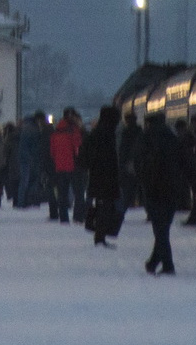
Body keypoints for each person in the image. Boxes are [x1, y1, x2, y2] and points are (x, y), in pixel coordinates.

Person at [137, 111, 187, 275]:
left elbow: (138, 164)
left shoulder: (146, 138)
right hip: (172, 189)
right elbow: (185, 163)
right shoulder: (173, 139)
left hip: (153, 190)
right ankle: (154, 262)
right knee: (163, 228)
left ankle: (167, 265)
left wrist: (142, 182)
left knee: (160, 229)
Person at [81, 105, 124, 246]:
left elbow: (84, 156)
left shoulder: (96, 133)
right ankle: (100, 236)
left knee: (103, 206)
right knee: (106, 207)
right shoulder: (106, 134)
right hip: (106, 177)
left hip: (98, 177)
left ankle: (100, 234)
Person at [48, 108, 83, 222]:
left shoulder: (56, 132)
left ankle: (63, 217)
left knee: (62, 194)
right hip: (73, 166)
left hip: (59, 166)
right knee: (78, 192)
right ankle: (78, 216)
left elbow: (52, 152)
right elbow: (77, 148)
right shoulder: (74, 131)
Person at [15, 113, 48, 209]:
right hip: (29, 159)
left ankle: (23, 202)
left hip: (25, 158)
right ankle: (26, 202)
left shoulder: (27, 127)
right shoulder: (33, 129)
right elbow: (34, 147)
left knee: (25, 181)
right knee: (29, 180)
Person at [117, 108, 142, 210]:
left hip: (127, 162)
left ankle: (129, 202)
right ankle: (137, 201)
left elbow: (123, 148)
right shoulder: (140, 131)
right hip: (138, 161)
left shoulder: (125, 132)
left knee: (128, 185)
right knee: (138, 184)